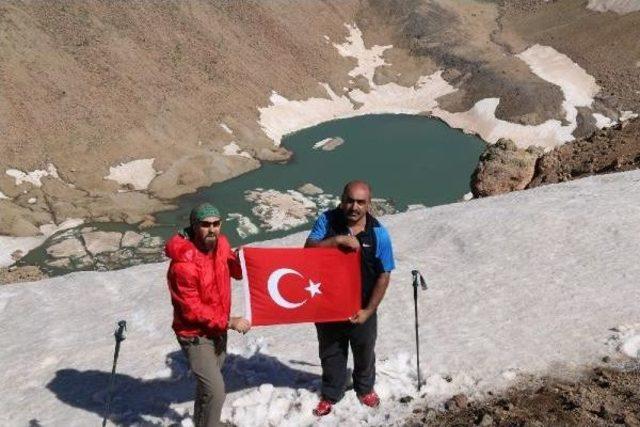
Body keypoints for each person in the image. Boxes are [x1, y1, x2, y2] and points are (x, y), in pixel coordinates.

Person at [305, 180, 395, 416]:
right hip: (327, 307)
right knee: (331, 353)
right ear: (342, 199)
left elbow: (384, 274)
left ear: (368, 204)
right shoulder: (327, 221)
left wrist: (368, 310)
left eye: (360, 202)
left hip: (362, 309)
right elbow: (307, 252)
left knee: (364, 351)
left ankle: (365, 388)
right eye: (350, 200)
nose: (354, 207)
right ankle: (331, 393)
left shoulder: (378, 234)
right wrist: (335, 242)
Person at [165, 203, 251, 427]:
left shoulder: (221, 244)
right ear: (194, 227)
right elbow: (191, 310)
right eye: (205, 225)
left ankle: (204, 423)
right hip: (195, 335)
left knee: (208, 388)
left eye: (216, 224)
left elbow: (236, 272)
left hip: (218, 331)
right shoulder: (183, 266)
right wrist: (229, 322)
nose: (212, 229)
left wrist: (241, 260)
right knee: (216, 390)